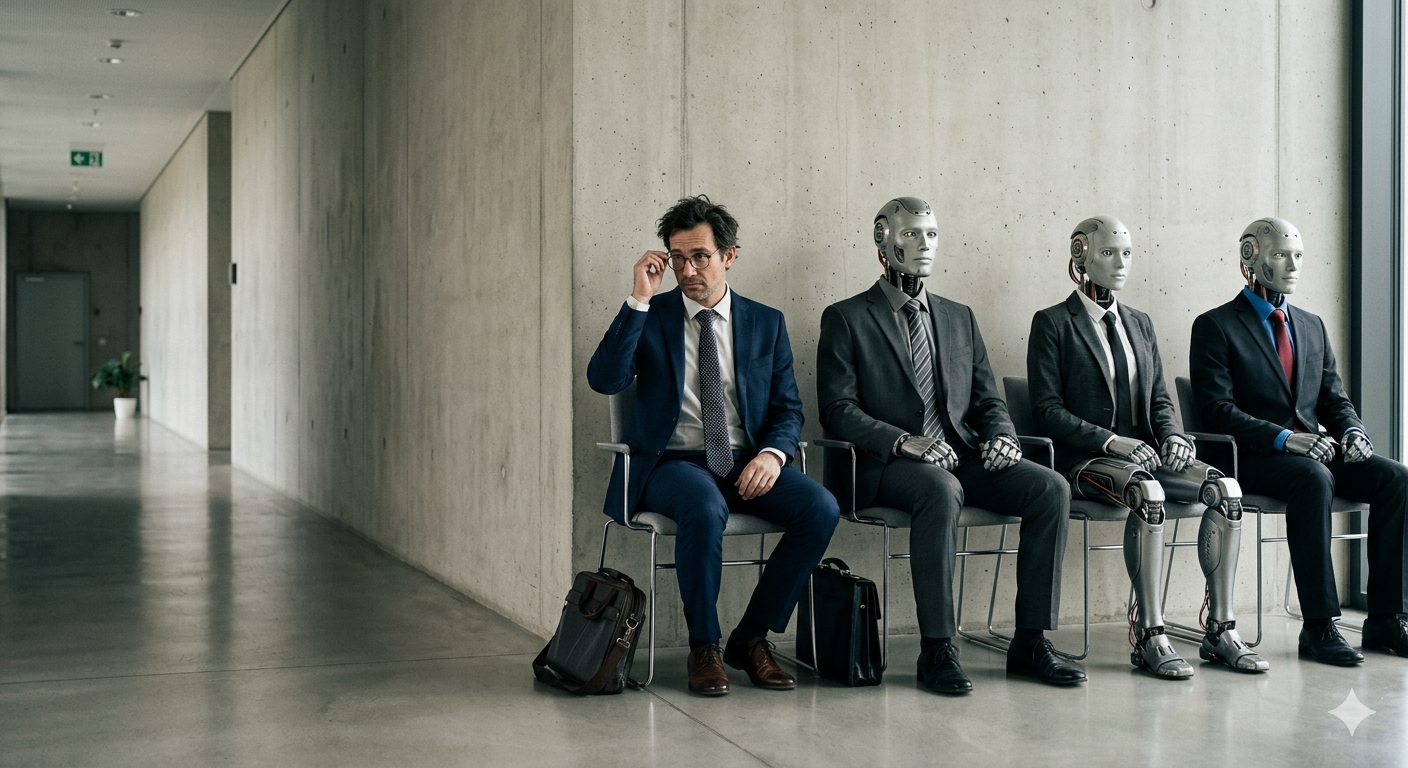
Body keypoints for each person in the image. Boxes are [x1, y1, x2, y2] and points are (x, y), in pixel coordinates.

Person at [816, 196, 1085, 695]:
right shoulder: (847, 317)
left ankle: (1030, 641)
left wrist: (1003, 436)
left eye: (932, 234)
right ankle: (936, 648)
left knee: (1049, 487)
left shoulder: (958, 316)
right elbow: (837, 409)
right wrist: (903, 442)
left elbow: (987, 399)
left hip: (961, 455)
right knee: (940, 490)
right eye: (912, 234)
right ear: (883, 239)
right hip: (885, 467)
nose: (924, 245)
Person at [587, 195, 839, 696]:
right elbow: (604, 379)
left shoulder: (765, 322)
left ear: (729, 255)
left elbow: (788, 408)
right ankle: (705, 646)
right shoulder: (652, 315)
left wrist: (772, 454)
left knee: (821, 507)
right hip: (670, 465)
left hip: (745, 460)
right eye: (677, 258)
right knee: (703, 506)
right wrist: (638, 299)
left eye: (700, 256)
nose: (687, 269)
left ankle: (750, 639)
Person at [1028, 215, 1265, 679]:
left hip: (1147, 453)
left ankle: (1220, 629)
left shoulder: (1140, 322)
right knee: (1150, 495)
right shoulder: (1053, 323)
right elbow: (1046, 410)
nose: (1121, 263)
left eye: (1127, 253)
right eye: (1109, 252)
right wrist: (1112, 441)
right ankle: (1150, 635)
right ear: (1081, 254)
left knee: (1227, 491)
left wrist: (1174, 435)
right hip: (1089, 459)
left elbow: (1160, 397)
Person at [1191, 217, 1408, 666]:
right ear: (1251, 256)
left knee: (1396, 478)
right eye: (1280, 255)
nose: (1292, 265)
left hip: (1313, 453)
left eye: (1298, 256)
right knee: (1313, 479)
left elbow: (1334, 398)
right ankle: (1319, 627)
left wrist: (1352, 432)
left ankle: (1386, 618)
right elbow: (1216, 410)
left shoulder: (1310, 325)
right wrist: (1285, 438)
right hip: (1249, 457)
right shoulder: (1214, 326)